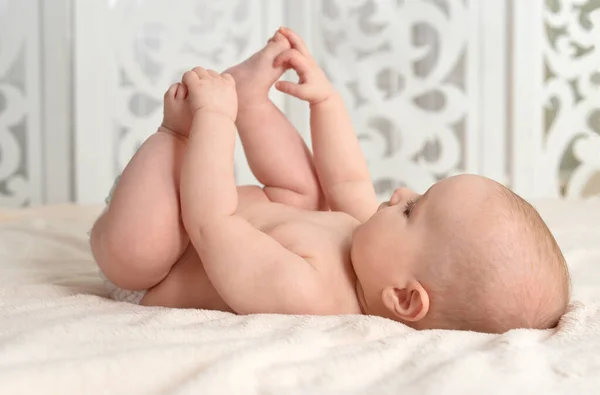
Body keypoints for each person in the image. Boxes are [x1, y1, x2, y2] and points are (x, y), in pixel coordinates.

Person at [90, 28, 570, 333]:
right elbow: (348, 177)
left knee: (139, 250)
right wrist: (325, 102)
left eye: (412, 209)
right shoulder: (372, 249)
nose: (400, 193)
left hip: (167, 260)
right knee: (310, 195)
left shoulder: (309, 294)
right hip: (201, 212)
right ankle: (254, 102)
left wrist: (209, 121)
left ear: (404, 298)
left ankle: (172, 134)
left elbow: (212, 223)